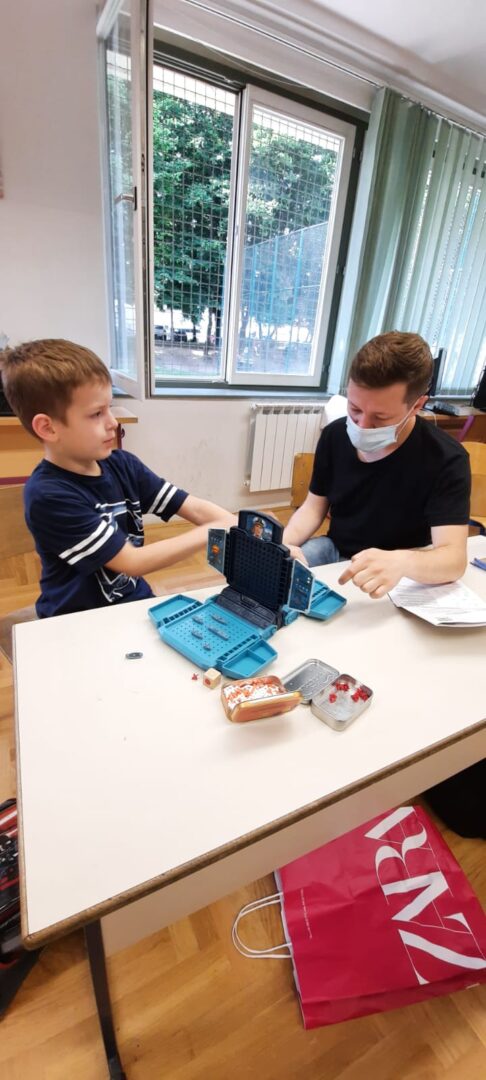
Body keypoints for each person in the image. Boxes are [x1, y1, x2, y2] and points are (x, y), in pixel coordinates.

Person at [1, 339, 237, 617]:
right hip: (78, 620)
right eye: (96, 413)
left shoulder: (123, 465)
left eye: (109, 408)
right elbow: (132, 562)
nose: (112, 422)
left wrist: (239, 527)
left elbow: (192, 507)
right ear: (48, 428)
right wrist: (214, 531)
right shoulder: (48, 495)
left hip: (132, 601)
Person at [283, 332, 471, 599]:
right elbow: (313, 508)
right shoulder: (335, 436)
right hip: (335, 550)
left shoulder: (446, 459)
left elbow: (453, 560)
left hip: (401, 570)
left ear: (417, 405)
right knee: (281, 579)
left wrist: (403, 562)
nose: (362, 426)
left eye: (380, 418)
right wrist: (284, 544)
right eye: (354, 409)